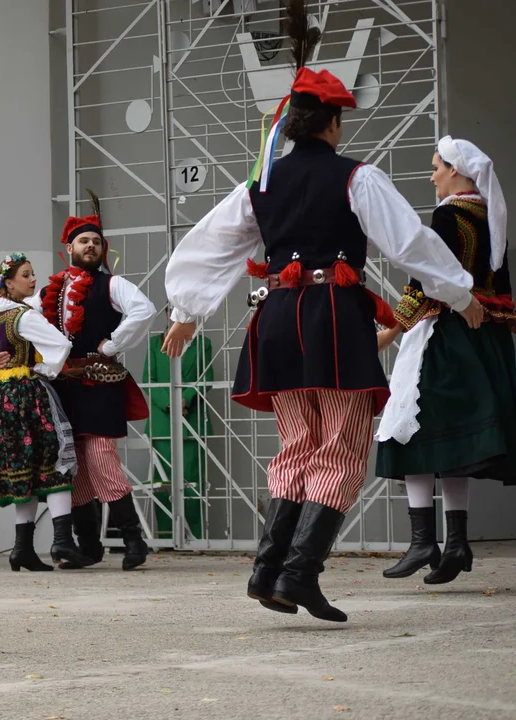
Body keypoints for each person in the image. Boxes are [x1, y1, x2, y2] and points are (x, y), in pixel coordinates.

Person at [161, 1, 481, 622]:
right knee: (339, 446)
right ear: (331, 125)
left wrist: (188, 309)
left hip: (278, 319)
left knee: (300, 445)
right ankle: (297, 575)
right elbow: (411, 244)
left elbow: (209, 243)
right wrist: (461, 295)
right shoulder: (355, 178)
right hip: (331, 317)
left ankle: (268, 572)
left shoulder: (261, 183)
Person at [0, 193, 156, 571]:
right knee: (72, 465)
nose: (91, 246)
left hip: (99, 384)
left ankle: (133, 540)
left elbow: (143, 309)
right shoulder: (47, 291)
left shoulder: (112, 285)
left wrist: (113, 344)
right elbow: (11, 323)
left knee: (101, 459)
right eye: (84, 241)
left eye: (97, 242)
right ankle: (86, 546)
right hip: (62, 389)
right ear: (69, 248)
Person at [376, 137, 516, 584]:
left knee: (413, 433)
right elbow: (500, 285)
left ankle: (423, 542)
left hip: (446, 336)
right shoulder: (490, 217)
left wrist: (394, 327)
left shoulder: (448, 214)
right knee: (455, 444)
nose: (432, 174)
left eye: (436, 166)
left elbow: (428, 276)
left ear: (456, 171)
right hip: (484, 339)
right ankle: (456, 543)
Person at [0, 253, 93, 571]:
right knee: (56, 464)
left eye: (32, 274)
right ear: (9, 283)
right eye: (26, 275)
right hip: (28, 394)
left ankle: (21, 549)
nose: (32, 280)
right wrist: (42, 367)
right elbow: (61, 345)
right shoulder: (24, 316)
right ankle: (62, 541)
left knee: (25, 470)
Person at [144, 306, 212, 540]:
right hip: (162, 422)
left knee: (192, 480)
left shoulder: (203, 343)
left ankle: (193, 538)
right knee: (163, 481)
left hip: (192, 419)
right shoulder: (155, 344)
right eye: (172, 310)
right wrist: (170, 402)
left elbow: (207, 379)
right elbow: (148, 379)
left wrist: (186, 399)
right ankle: (165, 537)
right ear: (166, 314)